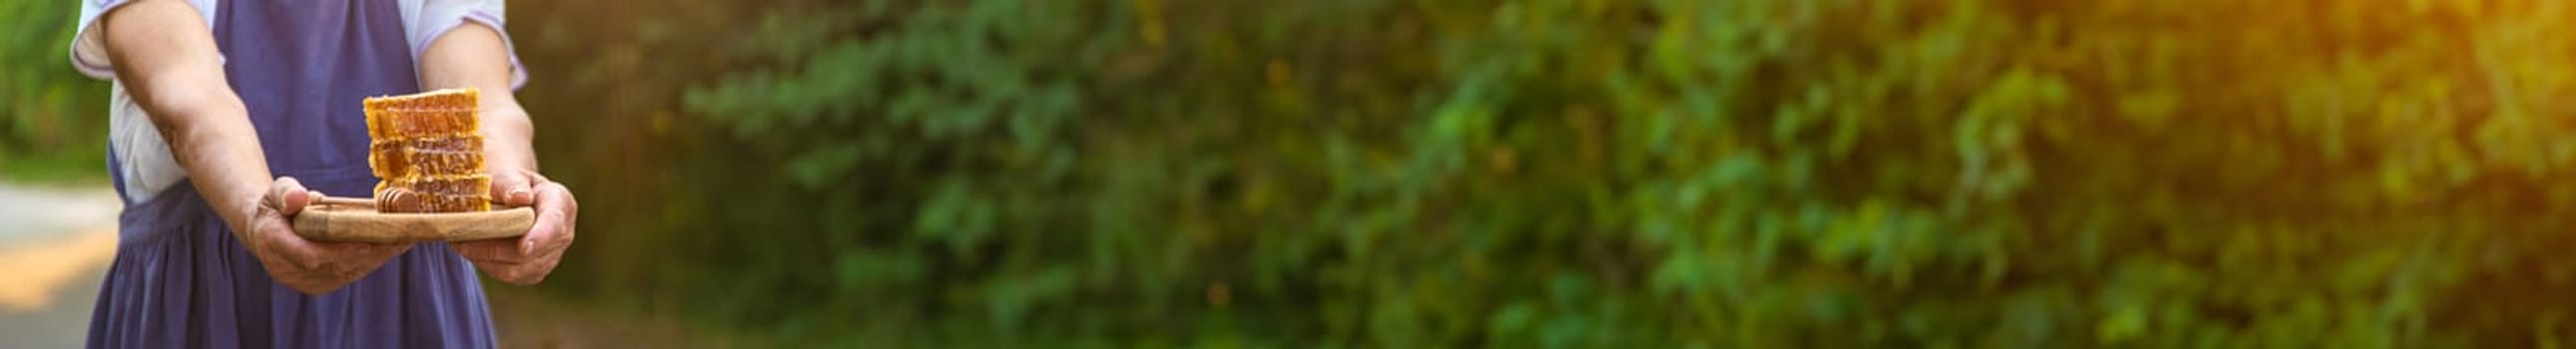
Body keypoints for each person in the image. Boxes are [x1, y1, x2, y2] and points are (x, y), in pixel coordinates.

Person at [69, 0, 577, 347]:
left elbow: (484, 102)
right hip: (206, 307)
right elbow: (187, 99)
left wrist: (513, 188)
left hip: (413, 314)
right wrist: (253, 211)